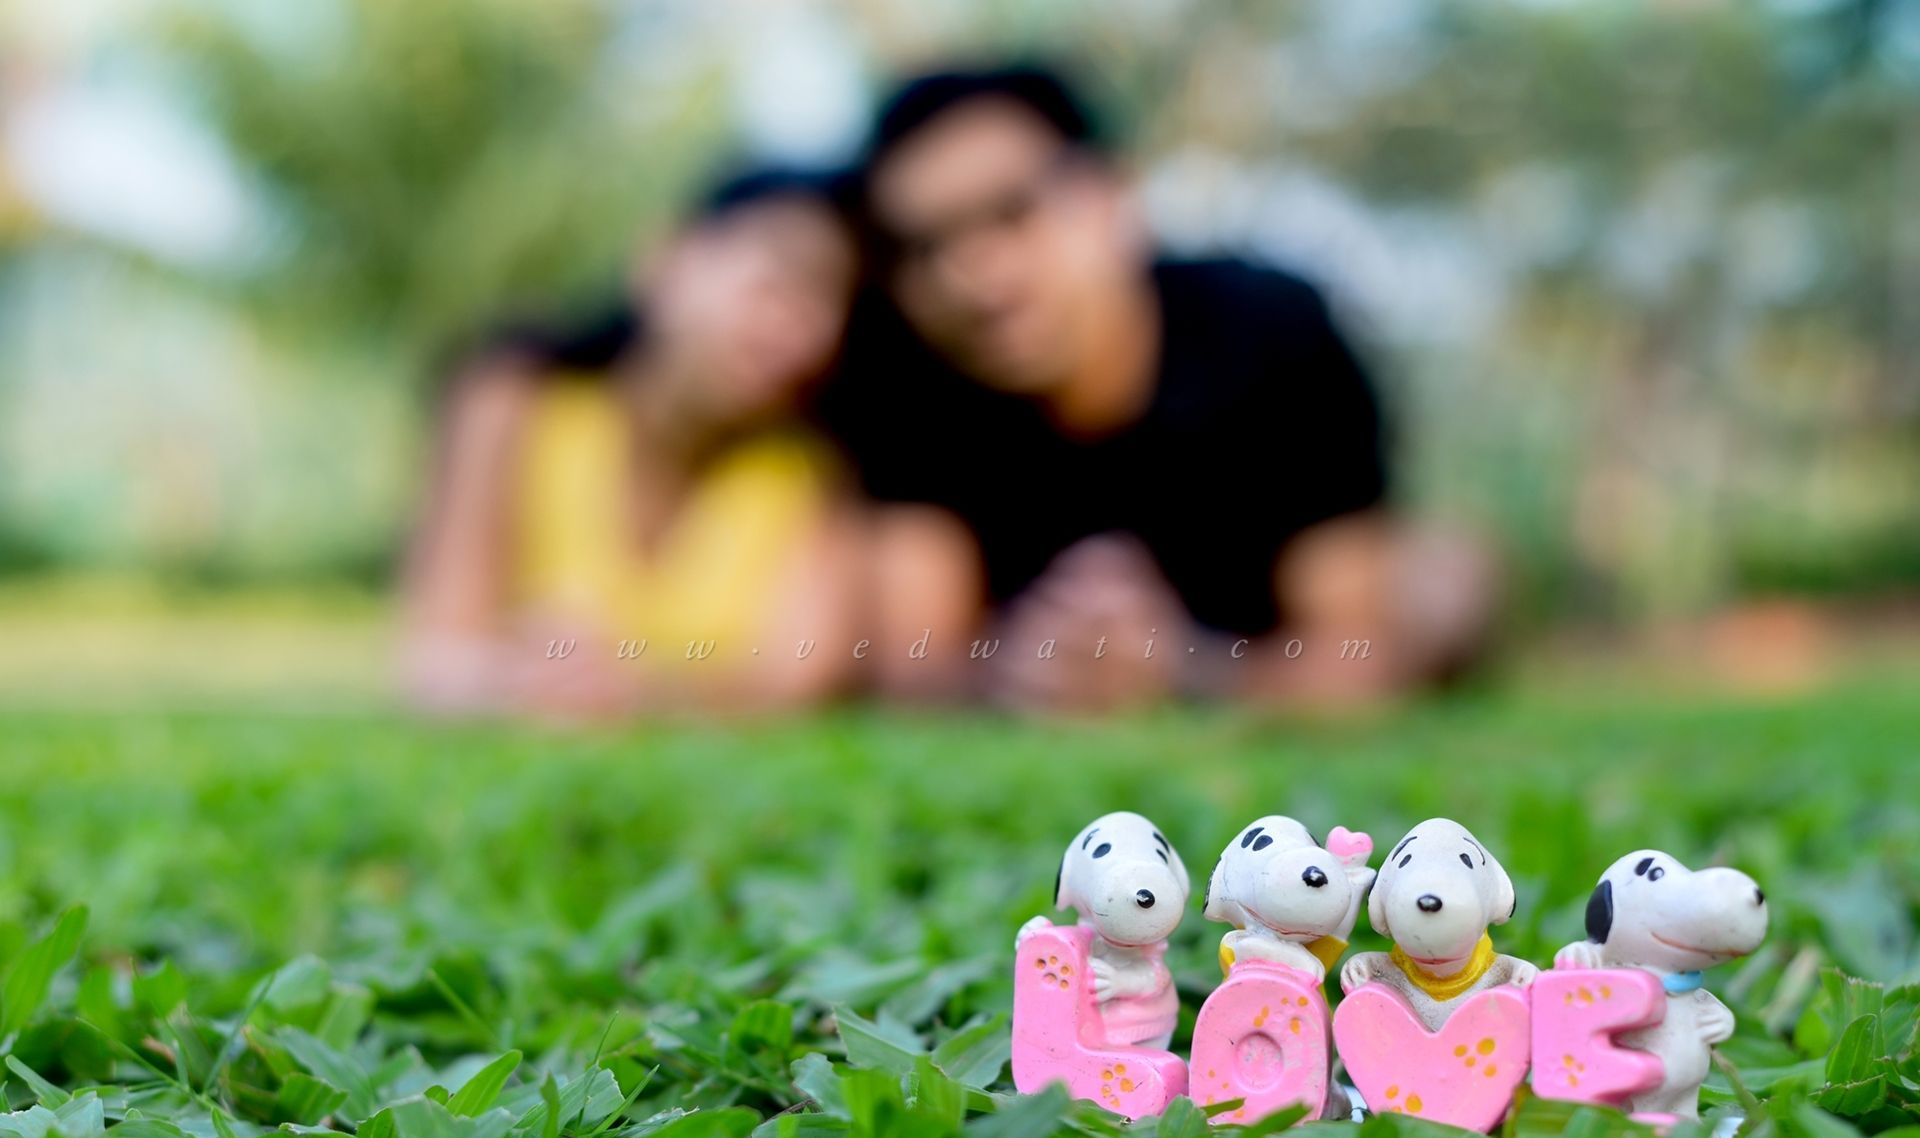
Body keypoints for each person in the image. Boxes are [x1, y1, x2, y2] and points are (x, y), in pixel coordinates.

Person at [827, 65, 1497, 710]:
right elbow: (914, 664)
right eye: (923, 245)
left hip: (1249, 641)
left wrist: (1181, 668)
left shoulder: (1269, 332)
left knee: (1447, 579)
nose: (969, 271)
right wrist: (1025, 668)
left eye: (1011, 211)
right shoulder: (907, 376)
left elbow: (1352, 650)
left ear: (1113, 196)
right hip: (1030, 655)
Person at [401, 165, 866, 718]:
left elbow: (799, 676)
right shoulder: (513, 400)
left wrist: (635, 688)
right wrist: (522, 678)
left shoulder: (804, 471)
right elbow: (438, 654)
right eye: (780, 279)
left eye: (831, 303)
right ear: (665, 261)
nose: (801, 329)